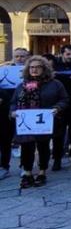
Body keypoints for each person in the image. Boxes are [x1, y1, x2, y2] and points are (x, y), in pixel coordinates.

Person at [10, 56, 69, 188]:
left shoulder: (55, 84)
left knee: (43, 147)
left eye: (37, 67)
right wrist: (12, 112)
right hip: (26, 122)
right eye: (31, 67)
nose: (34, 69)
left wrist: (57, 108)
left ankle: (42, 172)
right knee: (26, 147)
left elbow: (64, 99)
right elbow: (13, 102)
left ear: (44, 68)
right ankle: (27, 173)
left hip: (44, 122)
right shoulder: (22, 85)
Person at [0, 48, 30, 180]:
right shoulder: (4, 71)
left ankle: (25, 166)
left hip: (26, 108)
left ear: (27, 57)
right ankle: (4, 166)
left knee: (25, 139)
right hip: (5, 109)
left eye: (22, 56)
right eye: (17, 56)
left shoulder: (32, 70)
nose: (19, 59)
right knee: (4, 138)